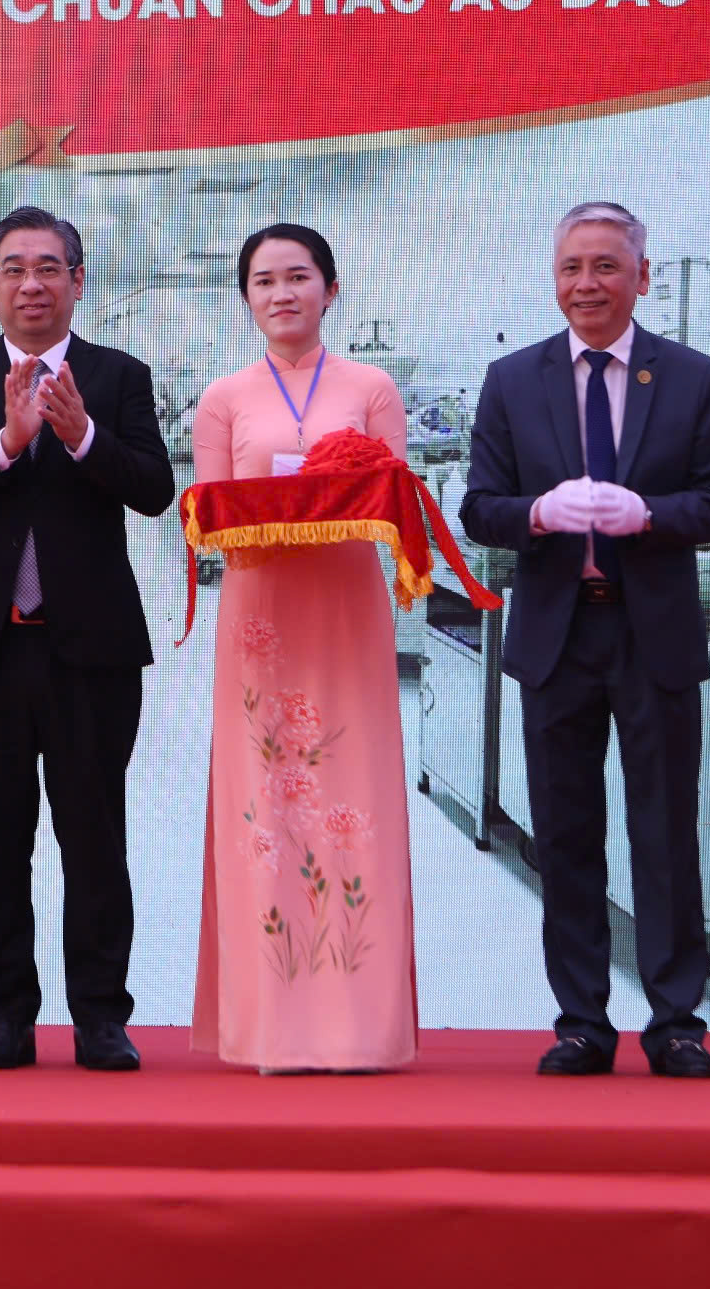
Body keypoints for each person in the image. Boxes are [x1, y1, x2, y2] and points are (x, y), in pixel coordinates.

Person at [461, 201, 710, 1079]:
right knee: (564, 832)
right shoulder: (513, 378)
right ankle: (581, 1018)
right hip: (555, 632)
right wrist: (536, 512)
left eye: (607, 266)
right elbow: (479, 507)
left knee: (664, 826)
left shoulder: (691, 377)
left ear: (642, 276)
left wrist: (648, 513)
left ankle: (676, 1020)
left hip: (650, 629)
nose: (588, 283)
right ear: (555, 278)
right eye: (572, 267)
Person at [0, 204, 175, 1073]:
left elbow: (154, 490)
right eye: (13, 267)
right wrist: (7, 441)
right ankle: (5, 1016)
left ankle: (100, 1016)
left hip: (89, 648)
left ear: (77, 280)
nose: (32, 283)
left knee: (94, 836)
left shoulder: (119, 375)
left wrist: (79, 434)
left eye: (49, 266)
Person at [189, 225, 417, 1073]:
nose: (282, 293)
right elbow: (208, 515)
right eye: (263, 280)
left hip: (346, 608)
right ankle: (271, 1019)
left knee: (352, 793)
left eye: (298, 276)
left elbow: (394, 501)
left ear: (330, 287)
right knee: (268, 805)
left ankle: (357, 1020)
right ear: (246, 297)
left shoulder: (371, 385)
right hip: (261, 611)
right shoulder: (223, 398)